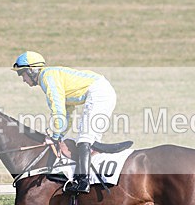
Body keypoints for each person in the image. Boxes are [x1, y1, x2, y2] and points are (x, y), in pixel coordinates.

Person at [12, 51, 117, 194]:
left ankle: (83, 182)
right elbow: (67, 112)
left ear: (31, 70)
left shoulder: (47, 78)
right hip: (102, 90)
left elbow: (58, 110)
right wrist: (59, 134)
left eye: (21, 73)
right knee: (85, 138)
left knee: (85, 138)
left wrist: (55, 136)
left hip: (99, 92)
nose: (22, 79)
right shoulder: (50, 77)